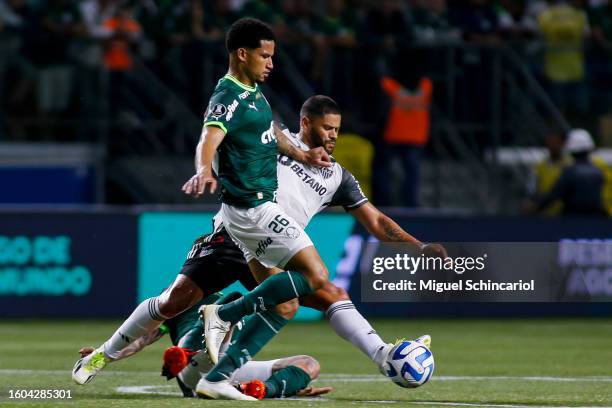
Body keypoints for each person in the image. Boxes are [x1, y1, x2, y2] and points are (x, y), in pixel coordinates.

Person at [72, 96, 442, 395]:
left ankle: (382, 355)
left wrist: (417, 246)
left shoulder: (337, 177)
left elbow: (376, 221)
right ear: (305, 122)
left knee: (325, 292)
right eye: (327, 128)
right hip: (233, 231)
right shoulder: (276, 142)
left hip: (275, 245)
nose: (332, 136)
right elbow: (242, 122)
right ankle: (105, 355)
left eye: (337, 130)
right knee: (175, 301)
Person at [77, 292, 332, 399]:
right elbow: (141, 341)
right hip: (193, 366)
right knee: (227, 308)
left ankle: (261, 389)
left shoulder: (231, 298)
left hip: (229, 367)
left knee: (309, 364)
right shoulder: (177, 302)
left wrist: (286, 388)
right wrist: (103, 353)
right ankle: (191, 357)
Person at [528, 129, 608, 216]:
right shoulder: (599, 169)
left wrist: (536, 208)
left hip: (571, 219)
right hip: (596, 219)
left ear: (570, 151)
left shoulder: (569, 171)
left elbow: (555, 194)